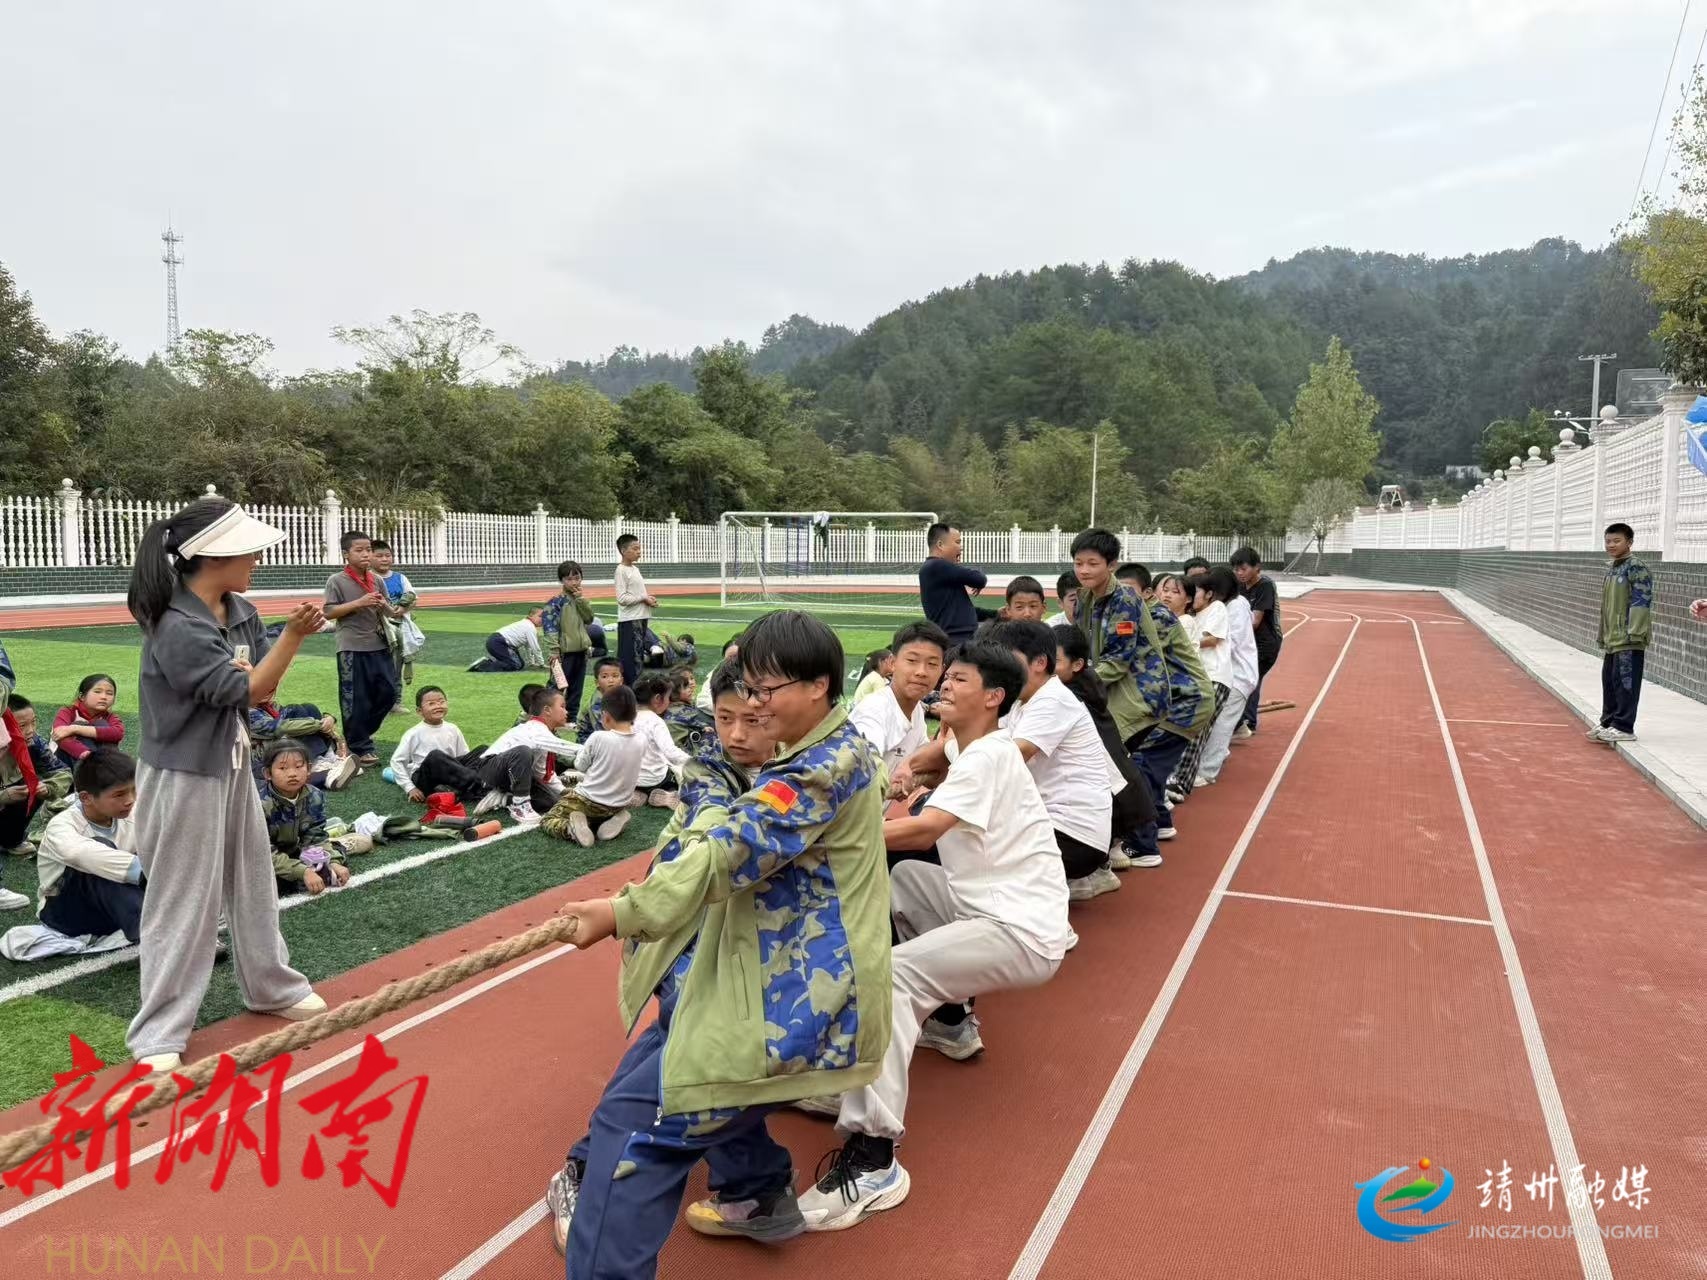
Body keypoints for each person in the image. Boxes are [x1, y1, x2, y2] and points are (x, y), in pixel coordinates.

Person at [548, 609, 892, 1276]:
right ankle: (757, 1190)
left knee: (639, 1133)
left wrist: (621, 912)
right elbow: (716, 804)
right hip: (747, 983)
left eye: (764, 692)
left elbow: (734, 847)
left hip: (789, 1001)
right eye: (739, 698)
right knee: (660, 1085)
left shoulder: (823, 764)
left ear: (818, 686)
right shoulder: (798, 751)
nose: (750, 712)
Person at [796, 640, 1069, 1233]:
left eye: (959, 680)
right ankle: (948, 1020)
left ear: (994, 697)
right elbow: (929, 755)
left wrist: (824, 837)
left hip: (1019, 929)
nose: (943, 684)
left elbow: (925, 831)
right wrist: (909, 770)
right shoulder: (966, 743)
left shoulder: (989, 757)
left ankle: (874, 1158)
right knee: (907, 883)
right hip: (990, 904)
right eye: (947, 676)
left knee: (892, 979)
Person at [544, 664, 782, 1250]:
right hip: (689, 944)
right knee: (690, 1063)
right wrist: (620, 913)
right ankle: (593, 1170)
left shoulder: (809, 770)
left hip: (750, 952)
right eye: (725, 718)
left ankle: (757, 1184)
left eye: (753, 720)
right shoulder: (710, 771)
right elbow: (712, 841)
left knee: (701, 1062)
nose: (737, 734)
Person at [124, 496, 329, 1079]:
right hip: (183, 772)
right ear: (215, 556)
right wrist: (291, 638)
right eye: (249, 551)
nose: (257, 560)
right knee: (181, 898)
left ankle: (271, 986)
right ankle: (159, 1028)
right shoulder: (178, 625)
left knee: (253, 876)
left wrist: (260, 669)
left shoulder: (238, 609)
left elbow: (261, 685)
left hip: (231, 760)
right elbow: (247, 689)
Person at [1071, 529, 1213, 847]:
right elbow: (1082, 646)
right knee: (1129, 766)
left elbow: (1117, 661)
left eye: (1092, 563)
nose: (1084, 570)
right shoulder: (1084, 599)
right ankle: (1145, 830)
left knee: (1117, 767)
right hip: (1115, 692)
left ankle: (1133, 842)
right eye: (1079, 563)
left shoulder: (1125, 600)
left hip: (1141, 696)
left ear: (1112, 565)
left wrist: (1072, 682)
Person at [983, 620, 1121, 900]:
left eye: (1008, 660)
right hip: (1052, 825)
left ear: (1039, 663)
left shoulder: (1052, 700)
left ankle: (1046, 905)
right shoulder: (1023, 700)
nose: (999, 670)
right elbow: (988, 740)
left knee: (970, 851)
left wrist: (947, 755)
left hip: (1073, 836)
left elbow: (1013, 754)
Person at [1053, 625, 1160, 869]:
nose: (1046, 666)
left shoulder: (1069, 698)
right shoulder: (1087, 683)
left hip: (1115, 788)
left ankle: (1119, 856)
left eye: (1055, 661)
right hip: (1120, 783)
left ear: (1077, 664)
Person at [36, 748, 146, 942]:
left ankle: (165, 924)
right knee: (99, 855)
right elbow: (78, 854)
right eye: (119, 794)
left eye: (134, 790)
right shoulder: (61, 826)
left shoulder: (135, 812)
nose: (130, 800)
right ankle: (151, 935)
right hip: (68, 916)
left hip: (115, 909)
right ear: (86, 797)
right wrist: (147, 871)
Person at [323, 529, 403, 768]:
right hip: (351, 647)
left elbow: (389, 610)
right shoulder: (337, 580)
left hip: (379, 643)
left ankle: (358, 736)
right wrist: (359, 602)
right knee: (355, 699)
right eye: (359, 550)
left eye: (368, 550)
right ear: (346, 554)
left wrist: (388, 606)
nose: (366, 554)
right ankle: (360, 747)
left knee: (388, 693)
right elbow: (329, 612)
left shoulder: (376, 580)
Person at [540, 685, 646, 847]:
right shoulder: (642, 739)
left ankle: (570, 829)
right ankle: (615, 818)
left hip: (588, 800)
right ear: (634, 714)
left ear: (606, 716)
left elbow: (580, 766)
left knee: (548, 819)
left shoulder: (598, 737)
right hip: (618, 803)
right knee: (594, 813)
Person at [850, 621, 947, 788]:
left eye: (932, 664)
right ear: (892, 663)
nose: (921, 672)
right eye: (912, 660)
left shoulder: (915, 710)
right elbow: (861, 772)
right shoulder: (874, 711)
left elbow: (930, 768)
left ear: (942, 670)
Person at [259, 740, 356, 897]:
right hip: (264, 857)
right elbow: (262, 852)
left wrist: (332, 862)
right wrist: (302, 871)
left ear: (309, 769)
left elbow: (315, 836)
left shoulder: (314, 796)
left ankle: (342, 842)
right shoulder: (259, 804)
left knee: (336, 859)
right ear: (268, 774)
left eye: (298, 766)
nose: (292, 773)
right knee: (270, 883)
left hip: (294, 850)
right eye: (283, 768)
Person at [470, 685, 572, 821]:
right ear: (547, 710)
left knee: (551, 802)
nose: (566, 712)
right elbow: (566, 748)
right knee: (522, 751)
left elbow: (541, 772)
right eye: (562, 707)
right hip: (491, 770)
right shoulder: (535, 729)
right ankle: (520, 805)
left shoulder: (546, 733)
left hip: (516, 774)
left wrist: (563, 791)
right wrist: (592, 749)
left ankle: (504, 798)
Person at [1594, 522, 1654, 743]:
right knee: (1610, 682)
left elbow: (1641, 601)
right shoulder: (1614, 568)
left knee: (1626, 684)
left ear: (1629, 542)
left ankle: (1624, 727)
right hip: (1613, 638)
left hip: (1629, 638)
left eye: (1616, 541)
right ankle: (1608, 722)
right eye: (1608, 541)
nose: (1611, 545)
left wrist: (1634, 632)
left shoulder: (1635, 567)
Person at [1, 695, 73, 860]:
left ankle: (12, 840)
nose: (30, 730)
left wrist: (48, 788)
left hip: (14, 803)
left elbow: (62, 772)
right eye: (22, 725)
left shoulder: (34, 742)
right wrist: (3, 797)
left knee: (33, 784)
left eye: (33, 722)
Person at [246, 698, 357, 792]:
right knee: (296, 712)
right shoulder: (247, 712)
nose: (270, 693)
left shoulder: (268, 706)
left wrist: (329, 718)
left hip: (282, 756)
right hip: (262, 763)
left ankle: (327, 761)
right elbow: (282, 728)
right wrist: (320, 724)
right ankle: (322, 770)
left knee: (308, 708)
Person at [1230, 546, 1281, 739]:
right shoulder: (1239, 586)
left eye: (1243, 569)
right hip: (1247, 642)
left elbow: (1255, 621)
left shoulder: (1265, 585)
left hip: (1265, 642)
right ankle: (1241, 721)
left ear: (1257, 567)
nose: (1239, 573)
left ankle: (1246, 722)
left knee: (1251, 679)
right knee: (1243, 678)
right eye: (1236, 569)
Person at [388, 686, 468, 802]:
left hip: (450, 775)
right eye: (431, 704)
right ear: (419, 711)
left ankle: (460, 787)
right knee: (436, 756)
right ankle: (468, 787)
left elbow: (464, 756)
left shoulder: (453, 729)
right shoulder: (414, 733)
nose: (438, 706)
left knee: (482, 751)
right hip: (425, 778)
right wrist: (410, 788)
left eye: (441, 702)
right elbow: (396, 761)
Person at [917, 523, 990, 647]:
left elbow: (962, 611)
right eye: (957, 542)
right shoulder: (937, 566)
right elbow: (979, 579)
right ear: (940, 545)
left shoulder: (940, 571)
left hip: (958, 640)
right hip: (956, 642)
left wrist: (996, 614)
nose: (961, 547)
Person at [542, 560, 597, 722]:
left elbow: (589, 619)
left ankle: (570, 719)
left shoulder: (580, 600)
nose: (574, 582)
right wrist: (554, 651)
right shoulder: (555, 602)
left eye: (577, 578)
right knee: (556, 687)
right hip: (564, 653)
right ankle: (546, 717)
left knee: (576, 689)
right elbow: (550, 628)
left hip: (581, 650)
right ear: (562, 580)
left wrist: (581, 600)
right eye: (569, 579)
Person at [371, 539, 421, 699]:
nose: (384, 559)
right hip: (375, 630)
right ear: (370, 557)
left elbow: (413, 598)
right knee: (376, 667)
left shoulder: (400, 578)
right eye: (379, 556)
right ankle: (377, 701)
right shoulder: (368, 578)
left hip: (398, 629)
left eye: (388, 555)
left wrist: (403, 609)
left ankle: (396, 701)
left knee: (396, 666)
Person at [632, 672, 690, 808]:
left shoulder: (625, 718)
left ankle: (636, 795)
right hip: (655, 779)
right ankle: (667, 794)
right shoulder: (655, 722)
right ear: (658, 699)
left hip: (629, 779)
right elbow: (671, 752)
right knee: (678, 773)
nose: (669, 702)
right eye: (668, 697)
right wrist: (693, 762)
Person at [52, 674, 125, 768]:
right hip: (69, 764)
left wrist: (75, 728)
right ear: (82, 696)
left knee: (101, 723)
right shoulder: (68, 712)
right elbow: (59, 734)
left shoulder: (110, 717)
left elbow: (117, 733)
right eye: (97, 692)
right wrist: (87, 755)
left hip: (103, 763)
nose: (104, 697)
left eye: (109, 693)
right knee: (80, 724)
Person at [614, 533, 658, 686]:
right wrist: (643, 598)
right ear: (623, 550)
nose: (639, 551)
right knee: (631, 660)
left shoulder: (635, 569)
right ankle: (630, 690)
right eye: (635, 548)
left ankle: (636, 690)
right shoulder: (621, 570)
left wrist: (648, 599)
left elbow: (637, 594)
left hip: (640, 618)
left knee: (638, 657)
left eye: (639, 548)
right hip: (630, 620)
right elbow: (622, 599)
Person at [468, 608, 546, 673]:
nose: (542, 619)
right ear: (531, 615)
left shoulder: (526, 624)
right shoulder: (530, 627)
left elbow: (528, 647)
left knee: (520, 664)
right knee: (515, 665)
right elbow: (535, 648)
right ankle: (483, 666)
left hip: (496, 642)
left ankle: (489, 662)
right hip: (498, 643)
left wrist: (532, 662)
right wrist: (541, 664)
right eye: (540, 616)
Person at [663, 668, 714, 751]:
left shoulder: (687, 705)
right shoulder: (678, 712)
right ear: (674, 693)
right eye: (685, 686)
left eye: (691, 678)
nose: (690, 686)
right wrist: (704, 729)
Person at [577, 657, 627, 740]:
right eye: (604, 677)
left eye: (615, 676)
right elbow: (602, 730)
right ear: (597, 682)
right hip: (588, 738)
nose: (611, 680)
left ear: (621, 681)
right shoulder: (597, 704)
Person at [697, 639, 740, 712]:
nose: (734, 661)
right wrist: (726, 709)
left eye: (737, 657)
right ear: (723, 658)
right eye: (730, 657)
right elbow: (702, 700)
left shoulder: (752, 675)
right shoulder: (716, 673)